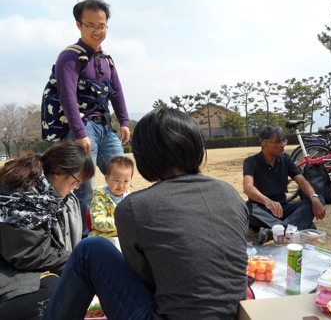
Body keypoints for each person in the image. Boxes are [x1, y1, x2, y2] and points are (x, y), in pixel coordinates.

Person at [42, 107, 249, 319]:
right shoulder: (230, 193)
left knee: (90, 248)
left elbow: (144, 280)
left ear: (145, 156)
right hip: (234, 313)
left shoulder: (135, 207)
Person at [56, 0, 130, 237]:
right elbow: (67, 96)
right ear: (79, 25)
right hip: (82, 128)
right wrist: (78, 133)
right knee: (83, 188)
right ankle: (85, 241)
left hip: (106, 128)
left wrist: (125, 121)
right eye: (91, 25)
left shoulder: (107, 59)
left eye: (102, 26)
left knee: (122, 180)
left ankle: (122, 229)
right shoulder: (70, 56)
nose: (97, 31)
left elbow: (116, 93)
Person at [0, 141, 94, 320]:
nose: (77, 187)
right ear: (59, 172)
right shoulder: (21, 195)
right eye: (76, 181)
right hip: (9, 272)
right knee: (54, 292)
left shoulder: (48, 195)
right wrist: (79, 264)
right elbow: (30, 253)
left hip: (19, 268)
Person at [243, 124, 326, 242]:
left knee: (319, 199)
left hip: (283, 208)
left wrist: (314, 197)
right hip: (261, 209)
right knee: (246, 209)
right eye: (278, 142)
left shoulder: (286, 159)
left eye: (283, 141)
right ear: (265, 144)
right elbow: (248, 187)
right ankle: (293, 228)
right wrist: (267, 201)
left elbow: (301, 180)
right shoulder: (251, 162)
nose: (283, 144)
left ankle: (276, 231)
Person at [88, 156, 134, 237]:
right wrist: (121, 223)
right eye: (117, 180)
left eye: (126, 181)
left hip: (126, 238)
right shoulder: (99, 198)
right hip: (105, 238)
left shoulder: (131, 198)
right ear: (107, 178)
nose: (121, 185)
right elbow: (97, 221)